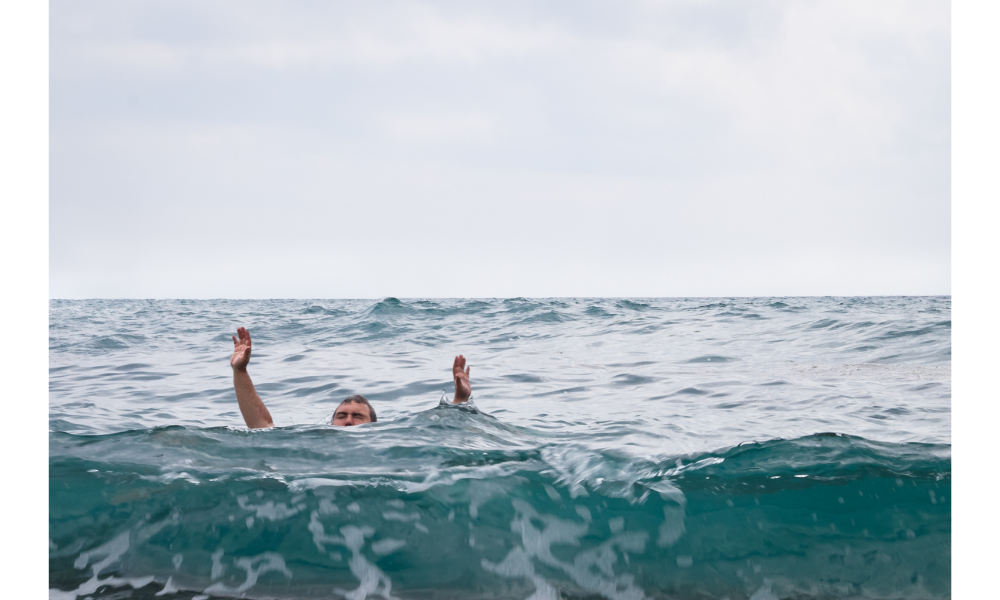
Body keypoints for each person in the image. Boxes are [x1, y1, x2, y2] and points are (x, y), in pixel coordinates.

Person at [229, 327, 472, 429]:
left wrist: (460, 399)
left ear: (373, 426)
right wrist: (240, 372)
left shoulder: (385, 442)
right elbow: (262, 427)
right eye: (342, 416)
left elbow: (443, 433)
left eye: (357, 417)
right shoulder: (321, 438)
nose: (347, 421)